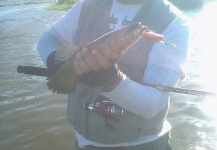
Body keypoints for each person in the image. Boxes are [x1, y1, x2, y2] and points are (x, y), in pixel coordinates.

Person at [37, 0, 191, 149]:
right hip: (83, 143)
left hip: (142, 145)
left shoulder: (174, 22)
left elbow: (151, 105)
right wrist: (54, 61)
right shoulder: (86, 5)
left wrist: (112, 80)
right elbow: (47, 39)